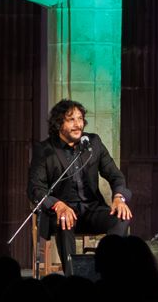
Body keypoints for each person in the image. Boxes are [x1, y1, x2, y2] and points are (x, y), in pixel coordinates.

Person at [27, 99, 132, 274]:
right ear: (59, 123)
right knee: (65, 220)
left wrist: (119, 198)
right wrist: (57, 205)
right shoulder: (45, 149)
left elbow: (115, 175)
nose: (78, 125)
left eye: (80, 119)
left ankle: (106, 270)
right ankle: (73, 278)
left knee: (122, 217)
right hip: (61, 213)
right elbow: (35, 188)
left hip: (91, 210)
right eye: (71, 120)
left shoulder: (93, 143)